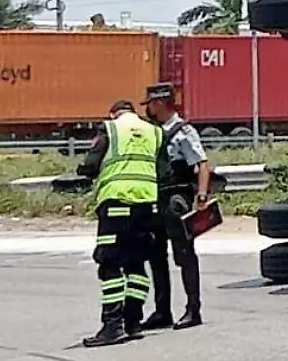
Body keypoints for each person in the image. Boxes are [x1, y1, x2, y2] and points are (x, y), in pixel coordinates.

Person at [76, 100, 166, 347]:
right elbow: (162, 168)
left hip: (116, 201)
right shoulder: (154, 131)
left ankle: (112, 326)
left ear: (112, 113)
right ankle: (133, 322)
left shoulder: (110, 128)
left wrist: (84, 171)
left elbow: (90, 165)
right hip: (147, 203)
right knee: (137, 263)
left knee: (110, 264)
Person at [143, 82, 211, 330]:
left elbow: (202, 163)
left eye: (150, 103)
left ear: (159, 103)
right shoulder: (152, 132)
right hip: (154, 199)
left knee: (184, 254)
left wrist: (201, 196)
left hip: (176, 200)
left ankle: (193, 309)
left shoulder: (184, 131)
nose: (148, 108)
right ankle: (162, 311)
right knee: (156, 256)